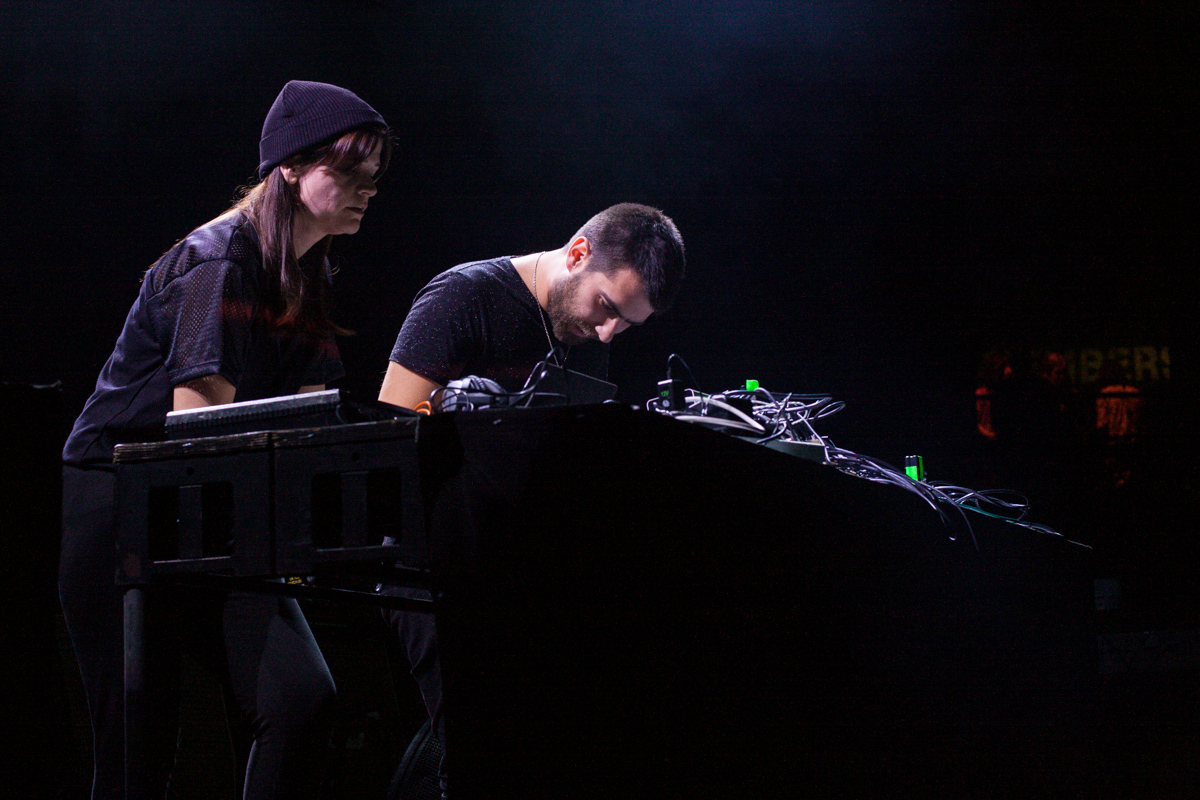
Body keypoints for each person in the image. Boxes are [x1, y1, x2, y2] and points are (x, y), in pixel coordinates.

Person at [60, 80, 391, 799]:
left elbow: (309, 420)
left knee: (300, 702)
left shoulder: (303, 274)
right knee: (138, 745)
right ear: (290, 169)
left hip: (207, 505)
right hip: (122, 502)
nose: (368, 188)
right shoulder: (218, 263)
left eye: (374, 173)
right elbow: (198, 433)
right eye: (349, 170)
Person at [377, 202, 686, 793]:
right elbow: (381, 447)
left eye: (627, 324)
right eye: (607, 308)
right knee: (480, 746)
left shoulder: (586, 336)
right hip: (428, 564)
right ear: (578, 253)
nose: (608, 333)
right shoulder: (464, 296)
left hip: (518, 566)